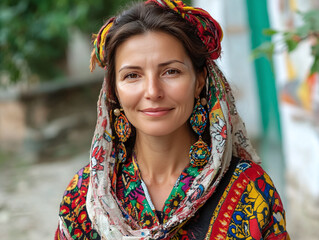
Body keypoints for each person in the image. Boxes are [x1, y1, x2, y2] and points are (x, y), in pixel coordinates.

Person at [55, 0, 290, 239]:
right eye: (132, 75)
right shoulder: (85, 197)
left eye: (171, 71)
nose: (152, 91)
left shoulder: (249, 190)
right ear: (114, 90)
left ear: (199, 81)